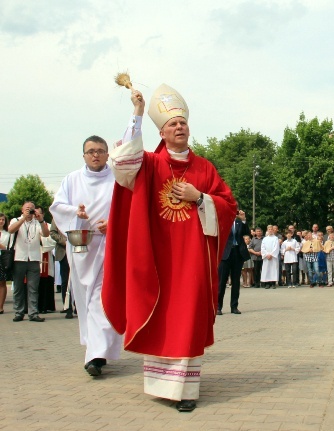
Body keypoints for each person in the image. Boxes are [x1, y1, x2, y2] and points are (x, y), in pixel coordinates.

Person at [102, 84, 237, 412]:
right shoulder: (148, 163)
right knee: (162, 316)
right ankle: (164, 386)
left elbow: (228, 204)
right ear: (161, 131)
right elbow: (121, 163)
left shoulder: (204, 168)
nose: (180, 128)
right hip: (157, 257)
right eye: (173, 124)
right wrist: (136, 113)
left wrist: (200, 197)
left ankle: (186, 392)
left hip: (191, 259)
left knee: (188, 315)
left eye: (183, 124)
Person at [51, 135, 124, 377]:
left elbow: (129, 209)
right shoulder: (72, 179)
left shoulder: (118, 179)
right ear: (83, 155)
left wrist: (112, 224)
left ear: (107, 154)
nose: (96, 155)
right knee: (84, 300)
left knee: (101, 300)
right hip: (81, 248)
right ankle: (96, 350)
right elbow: (57, 207)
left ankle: (96, 356)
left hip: (108, 246)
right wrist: (76, 212)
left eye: (101, 151)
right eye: (91, 151)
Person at [8, 201, 50, 322]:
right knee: (18, 287)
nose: (29, 211)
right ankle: (19, 312)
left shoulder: (37, 222)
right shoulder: (15, 220)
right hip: (19, 258)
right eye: (27, 208)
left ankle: (33, 313)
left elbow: (46, 234)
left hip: (34, 258)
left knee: (33, 287)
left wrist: (41, 220)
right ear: (22, 210)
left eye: (32, 209)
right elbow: (11, 230)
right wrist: (23, 219)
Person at [218, 210, 250, 315]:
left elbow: (247, 233)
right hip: (226, 254)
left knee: (236, 281)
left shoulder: (239, 223)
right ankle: (218, 307)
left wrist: (243, 219)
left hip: (237, 253)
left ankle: (234, 306)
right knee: (222, 281)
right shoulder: (222, 221)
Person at [49, 219, 73, 319]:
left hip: (77, 250)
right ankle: (67, 307)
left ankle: (78, 306)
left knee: (77, 281)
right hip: (63, 251)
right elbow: (52, 232)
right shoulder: (56, 216)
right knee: (65, 281)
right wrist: (64, 241)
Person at [36, 207, 56, 315]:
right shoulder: (32, 225)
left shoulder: (47, 226)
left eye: (39, 213)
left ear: (43, 214)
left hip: (45, 255)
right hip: (35, 256)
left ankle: (45, 306)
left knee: (45, 282)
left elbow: (52, 242)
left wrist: (41, 240)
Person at [0, 213, 10, 314]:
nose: (1, 221)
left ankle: (1, 306)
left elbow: (8, 247)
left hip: (2, 258)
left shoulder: (7, 233)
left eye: (3, 219)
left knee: (2, 282)